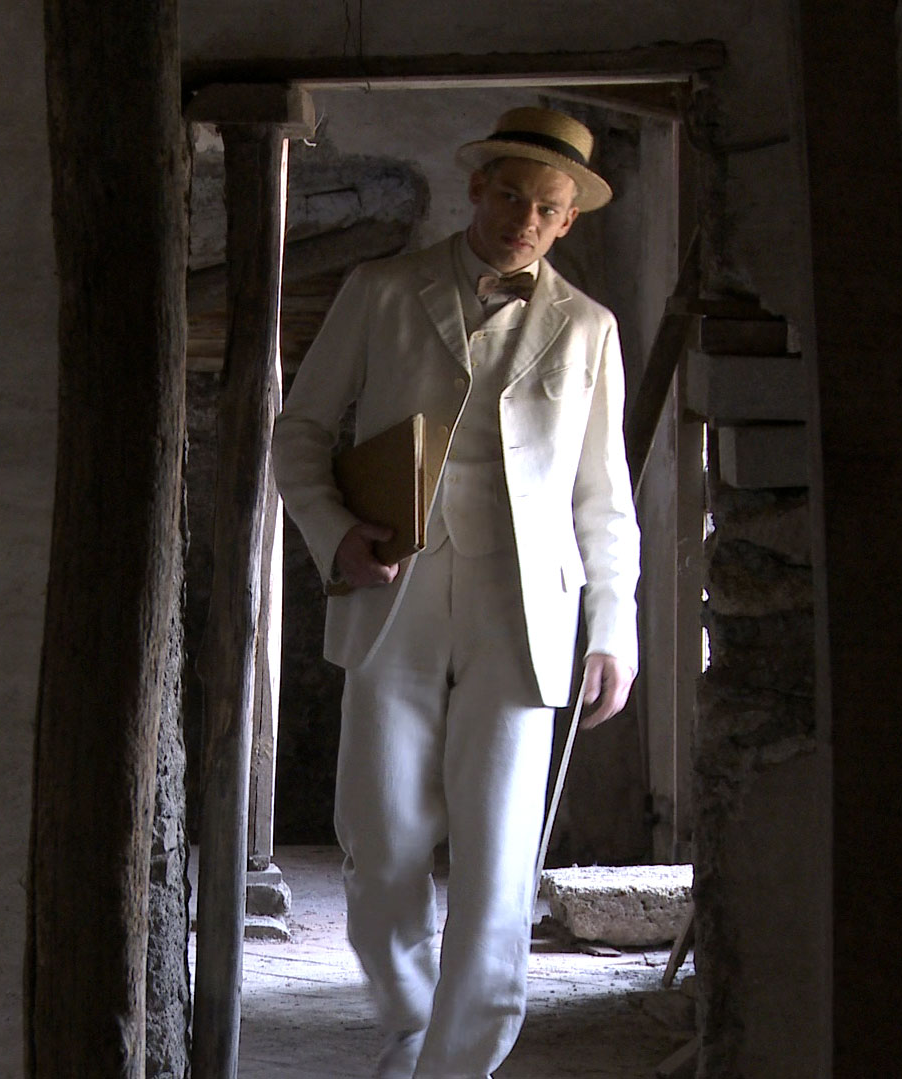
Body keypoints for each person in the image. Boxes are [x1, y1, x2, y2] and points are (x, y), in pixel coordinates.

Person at [271, 107, 642, 1078]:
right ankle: (409, 1018)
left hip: (525, 610)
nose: (525, 219)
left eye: (547, 208)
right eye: (511, 196)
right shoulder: (381, 290)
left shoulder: (588, 328)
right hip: (392, 592)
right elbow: (298, 432)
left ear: (567, 220)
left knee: (499, 851)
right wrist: (333, 532)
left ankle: (457, 1061)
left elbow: (604, 496)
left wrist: (614, 626)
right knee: (380, 836)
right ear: (477, 188)